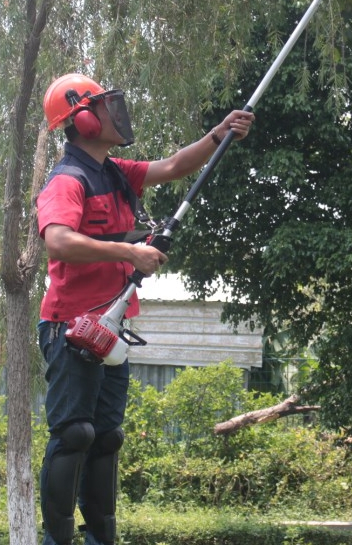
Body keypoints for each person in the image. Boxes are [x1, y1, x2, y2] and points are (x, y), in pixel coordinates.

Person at [36, 73, 254, 545]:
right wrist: (129, 253)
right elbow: (58, 240)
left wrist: (220, 134)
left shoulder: (115, 171)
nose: (118, 113)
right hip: (71, 326)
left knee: (106, 438)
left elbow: (175, 166)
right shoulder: (67, 179)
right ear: (85, 120)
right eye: (105, 106)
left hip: (111, 328)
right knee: (74, 433)